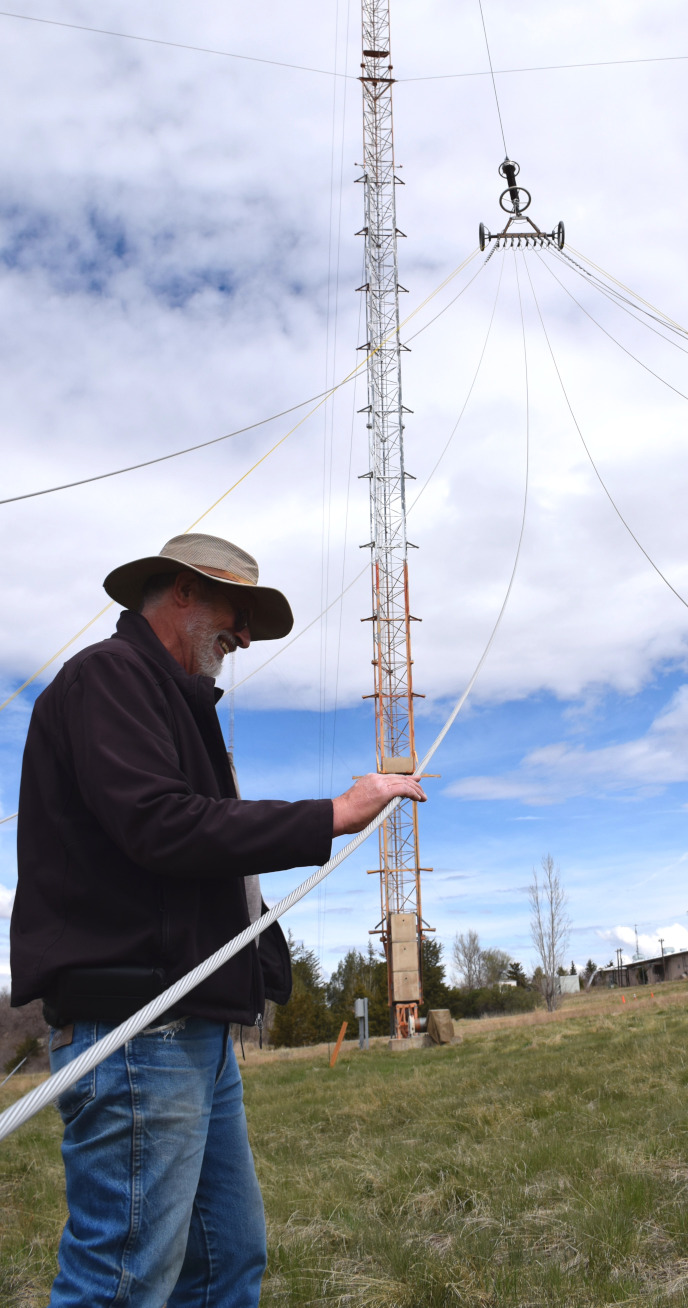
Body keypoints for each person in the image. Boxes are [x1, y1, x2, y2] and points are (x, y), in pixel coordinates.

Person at [10, 532, 425, 1308]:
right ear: (183, 592)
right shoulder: (108, 678)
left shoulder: (174, 703)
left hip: (190, 1024)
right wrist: (332, 814)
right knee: (122, 1281)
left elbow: (194, 844)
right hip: (138, 1026)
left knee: (225, 1262)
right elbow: (162, 826)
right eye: (238, 612)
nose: (241, 635)